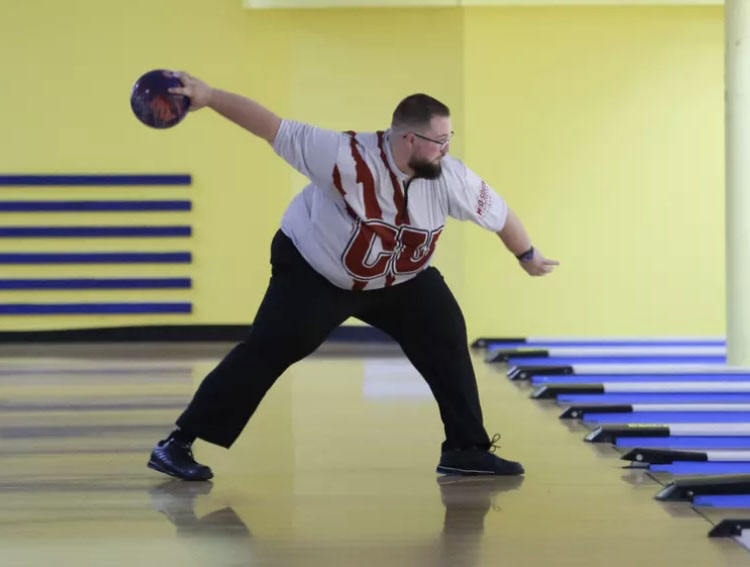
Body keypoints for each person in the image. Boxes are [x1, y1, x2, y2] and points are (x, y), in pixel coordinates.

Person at [147, 72, 559, 481]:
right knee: (271, 349)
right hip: (315, 271)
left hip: (401, 279)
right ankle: (178, 443)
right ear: (409, 139)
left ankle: (466, 449)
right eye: (439, 142)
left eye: (451, 140)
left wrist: (526, 254)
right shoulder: (342, 155)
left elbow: (501, 217)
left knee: (446, 331)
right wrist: (209, 95)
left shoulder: (450, 176)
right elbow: (269, 126)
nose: (446, 150)